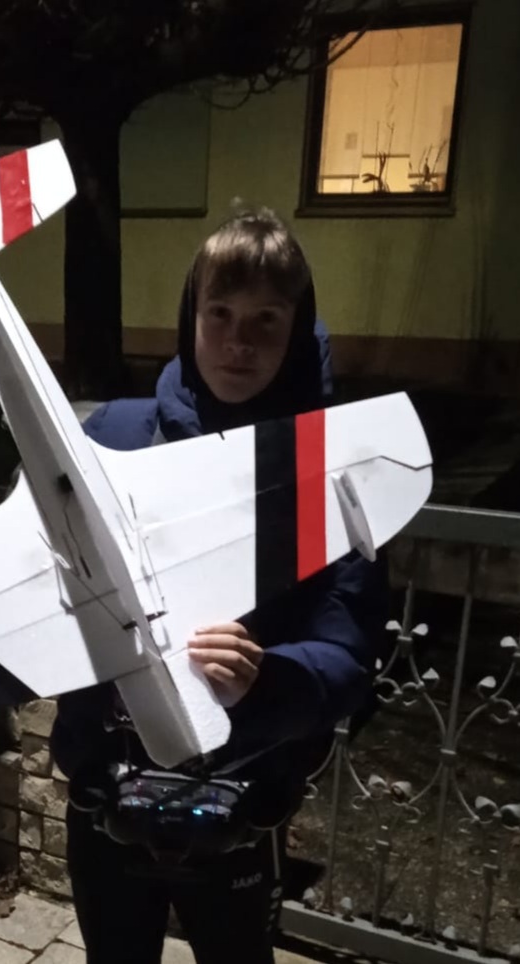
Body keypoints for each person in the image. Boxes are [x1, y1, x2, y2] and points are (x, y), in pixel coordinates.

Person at [50, 208, 388, 964]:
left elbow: (349, 651)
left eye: (267, 319)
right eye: (220, 313)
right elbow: (49, 584)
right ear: (190, 317)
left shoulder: (331, 468)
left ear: (297, 328)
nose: (240, 341)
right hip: (107, 785)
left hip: (241, 793)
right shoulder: (113, 438)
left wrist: (268, 678)